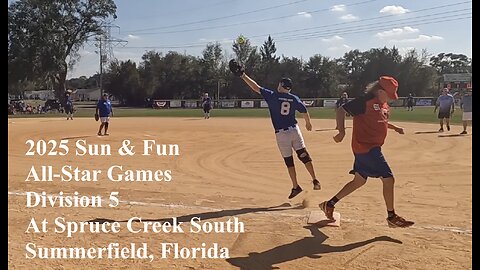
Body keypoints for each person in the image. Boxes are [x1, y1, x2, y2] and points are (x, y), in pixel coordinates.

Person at [319, 76, 414, 228]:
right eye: (389, 95)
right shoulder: (365, 101)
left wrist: (395, 128)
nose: (390, 99)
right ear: (379, 91)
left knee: (359, 181)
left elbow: (380, 121)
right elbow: (341, 110)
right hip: (366, 147)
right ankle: (391, 216)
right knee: (388, 178)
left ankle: (329, 204)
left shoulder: (383, 105)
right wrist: (341, 132)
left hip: (371, 147)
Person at [230, 62, 321, 199]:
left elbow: (256, 87)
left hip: (281, 134)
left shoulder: (273, 95)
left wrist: (243, 75)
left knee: (289, 161)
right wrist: (308, 123)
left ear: (282, 86)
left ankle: (296, 186)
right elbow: (304, 110)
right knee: (303, 155)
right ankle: (315, 179)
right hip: (295, 130)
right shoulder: (294, 98)